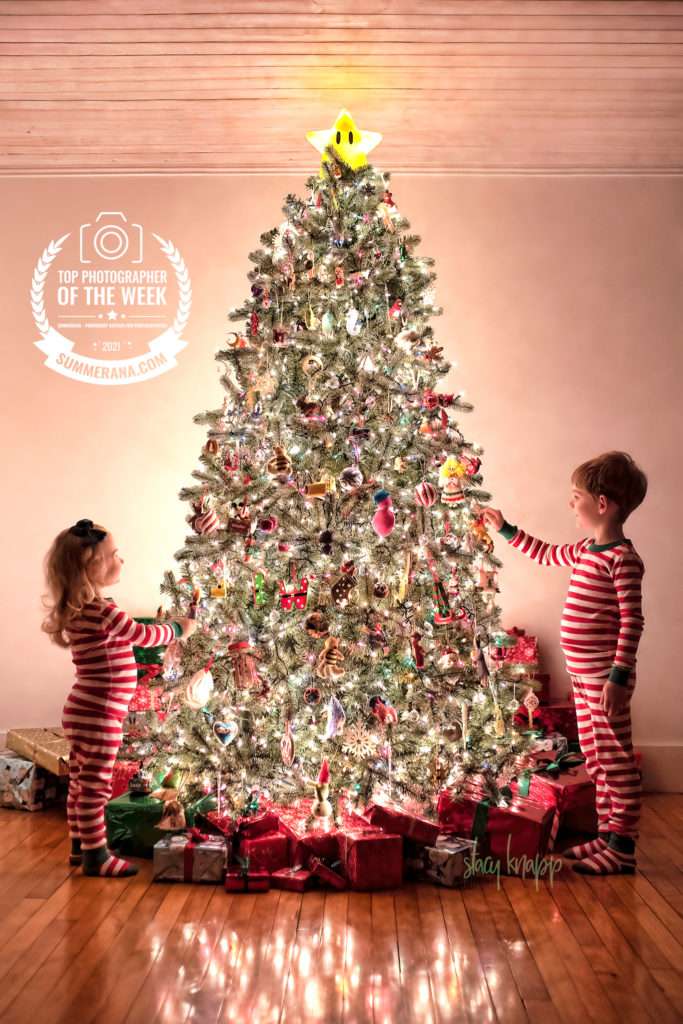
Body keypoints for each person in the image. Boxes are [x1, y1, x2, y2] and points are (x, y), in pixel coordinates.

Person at [481, 451, 647, 875]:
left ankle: (623, 846)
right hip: (584, 676)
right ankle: (608, 837)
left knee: (616, 761)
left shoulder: (621, 560)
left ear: (603, 504)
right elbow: (546, 553)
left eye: (577, 497)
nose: (571, 504)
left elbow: (632, 621)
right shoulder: (588, 548)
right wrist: (505, 529)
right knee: (595, 757)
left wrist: (618, 677)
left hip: (604, 679)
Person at [41, 519, 196, 877]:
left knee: (80, 781)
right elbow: (141, 634)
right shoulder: (102, 611)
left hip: (83, 708)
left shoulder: (81, 609)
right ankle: (97, 855)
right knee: (95, 787)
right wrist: (177, 628)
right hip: (100, 714)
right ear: (91, 567)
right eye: (113, 555)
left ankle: (80, 845)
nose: (120, 561)